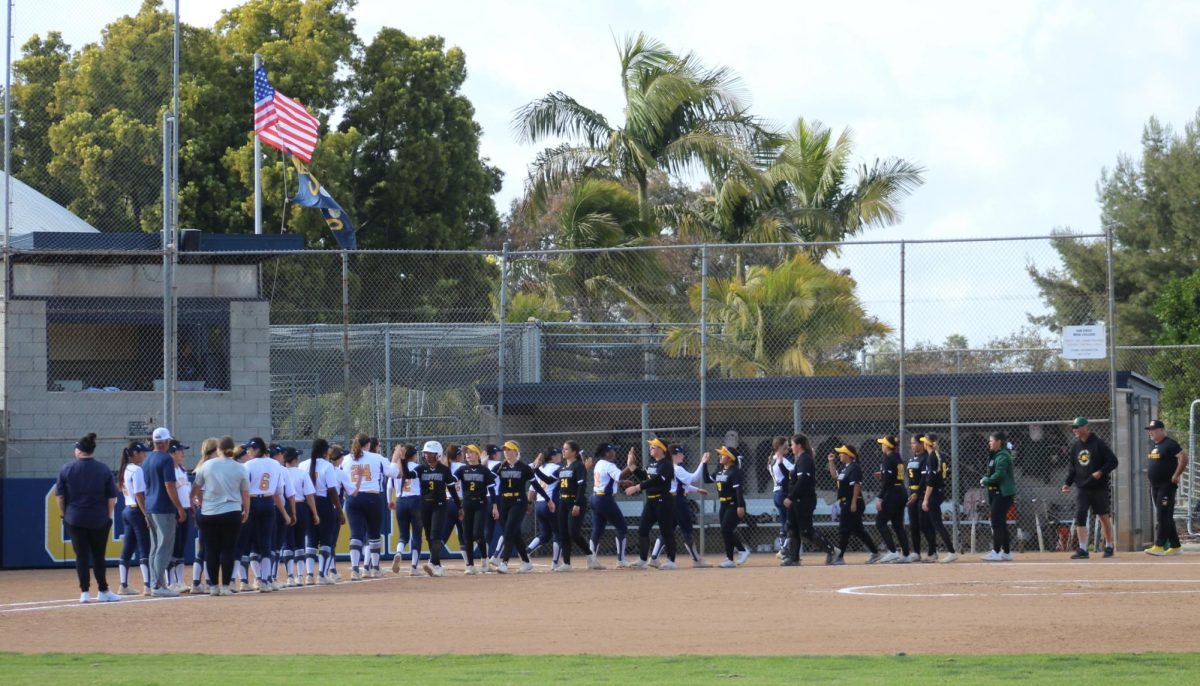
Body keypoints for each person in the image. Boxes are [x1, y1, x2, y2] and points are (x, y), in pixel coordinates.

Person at [56, 433, 121, 604]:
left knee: (81, 555)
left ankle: (84, 592)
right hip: (98, 518)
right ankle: (103, 590)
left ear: (79, 451)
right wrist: (107, 517)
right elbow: (111, 498)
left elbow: (60, 497)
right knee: (99, 555)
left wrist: (64, 515)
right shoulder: (103, 469)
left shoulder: (67, 469)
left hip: (74, 518)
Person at [192, 435, 251, 596]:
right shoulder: (240, 467)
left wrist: (197, 502)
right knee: (228, 549)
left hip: (209, 512)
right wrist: (246, 510)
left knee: (211, 549)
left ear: (218, 450)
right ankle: (225, 586)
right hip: (231, 511)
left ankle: (212, 586)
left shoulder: (208, 465)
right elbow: (245, 493)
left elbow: (196, 488)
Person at [397, 440, 462, 577]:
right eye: (425, 453)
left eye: (430, 454)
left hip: (440, 506)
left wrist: (459, 506)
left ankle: (432, 562)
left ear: (437, 455)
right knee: (428, 537)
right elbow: (408, 475)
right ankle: (437, 566)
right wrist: (402, 460)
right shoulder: (421, 468)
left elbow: (452, 489)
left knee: (435, 536)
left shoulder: (444, 470)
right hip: (424, 506)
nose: (426, 456)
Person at [343, 433, 399, 580]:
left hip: (353, 498)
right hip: (372, 497)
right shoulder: (377, 457)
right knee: (373, 534)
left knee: (356, 534)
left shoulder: (347, 459)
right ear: (368, 444)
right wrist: (395, 458)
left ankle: (355, 569)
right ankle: (375, 568)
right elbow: (394, 473)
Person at [490, 440, 551, 574]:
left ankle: (504, 562)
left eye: (510, 450)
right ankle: (526, 562)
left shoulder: (524, 467)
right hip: (503, 501)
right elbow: (488, 481)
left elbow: (535, 485)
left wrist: (548, 499)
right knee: (515, 533)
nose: (506, 452)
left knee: (509, 530)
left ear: (516, 452)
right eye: (505, 450)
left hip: (518, 501)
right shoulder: (500, 467)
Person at [1061, 417, 1118, 559]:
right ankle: (1083, 549)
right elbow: (1073, 468)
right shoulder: (1075, 446)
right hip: (1082, 487)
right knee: (1080, 515)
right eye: (1073, 427)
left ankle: (1109, 546)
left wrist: (1101, 472)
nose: (1074, 430)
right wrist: (1067, 483)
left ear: (1086, 427)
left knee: (1103, 516)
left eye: (1077, 427)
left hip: (1098, 487)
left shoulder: (1098, 444)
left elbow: (1113, 461)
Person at [243, 437, 292, 591]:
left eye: (250, 449)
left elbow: (243, 489)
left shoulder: (247, 465)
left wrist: (244, 508)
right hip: (268, 503)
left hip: (251, 502)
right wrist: (284, 513)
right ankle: (265, 580)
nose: (248, 452)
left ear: (257, 449)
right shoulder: (275, 464)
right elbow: (279, 492)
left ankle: (249, 579)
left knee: (249, 542)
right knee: (266, 543)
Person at [142, 427, 187, 597]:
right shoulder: (166, 459)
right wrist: (179, 507)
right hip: (163, 507)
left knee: (155, 547)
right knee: (164, 546)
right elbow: (169, 485)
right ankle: (158, 584)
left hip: (150, 506)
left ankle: (154, 581)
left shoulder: (147, 459)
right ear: (167, 442)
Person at [650, 445, 711, 569]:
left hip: (668, 501)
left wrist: (697, 490)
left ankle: (654, 558)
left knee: (667, 530)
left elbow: (680, 484)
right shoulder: (676, 468)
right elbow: (693, 478)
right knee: (687, 531)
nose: (683, 455)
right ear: (673, 455)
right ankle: (696, 560)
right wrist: (702, 463)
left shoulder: (666, 467)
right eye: (680, 453)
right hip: (678, 502)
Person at [782, 434, 837, 566]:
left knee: (805, 530)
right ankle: (794, 558)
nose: (791, 447)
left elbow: (803, 481)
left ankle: (832, 551)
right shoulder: (800, 459)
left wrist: (791, 497)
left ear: (799, 446)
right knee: (792, 528)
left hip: (804, 500)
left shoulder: (805, 459)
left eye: (793, 444)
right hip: (797, 500)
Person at [626, 439, 679, 570]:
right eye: (650, 447)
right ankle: (643, 560)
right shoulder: (652, 463)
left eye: (653, 447)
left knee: (666, 532)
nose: (650, 448)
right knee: (642, 530)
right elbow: (645, 476)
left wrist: (637, 487)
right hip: (651, 501)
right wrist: (631, 466)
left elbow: (657, 480)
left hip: (663, 501)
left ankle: (671, 561)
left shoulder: (666, 464)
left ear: (661, 449)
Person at [828, 445, 882, 565]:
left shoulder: (854, 468)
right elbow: (834, 476)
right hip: (845, 502)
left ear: (849, 455)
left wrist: (853, 503)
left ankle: (840, 557)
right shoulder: (845, 468)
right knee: (858, 530)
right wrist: (831, 462)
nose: (839, 455)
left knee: (844, 529)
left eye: (842, 453)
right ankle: (875, 552)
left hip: (853, 502)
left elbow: (857, 485)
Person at [299, 438, 344, 584]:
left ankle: (309, 575)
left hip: (307, 504)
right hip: (324, 504)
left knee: (311, 540)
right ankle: (322, 574)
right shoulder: (327, 466)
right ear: (325, 452)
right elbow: (332, 490)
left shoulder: (303, 465)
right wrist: (339, 511)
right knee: (326, 541)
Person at [1144, 420, 1187, 556]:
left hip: (1167, 486)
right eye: (1149, 430)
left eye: (1154, 429)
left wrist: (1176, 474)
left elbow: (1183, 458)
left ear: (1162, 430)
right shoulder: (1154, 445)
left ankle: (1159, 545)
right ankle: (1175, 546)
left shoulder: (1170, 444)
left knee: (1162, 515)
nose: (1151, 432)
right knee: (1166, 515)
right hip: (1155, 486)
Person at [588, 443, 632, 570]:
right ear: (607, 453)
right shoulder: (609, 464)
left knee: (597, 529)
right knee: (622, 527)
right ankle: (621, 559)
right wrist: (630, 465)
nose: (615, 452)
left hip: (595, 497)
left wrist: (622, 482)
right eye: (613, 450)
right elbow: (620, 475)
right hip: (605, 499)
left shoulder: (599, 463)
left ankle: (592, 560)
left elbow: (609, 478)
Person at [703, 446, 748, 568]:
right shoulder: (720, 470)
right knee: (726, 531)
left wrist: (740, 506)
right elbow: (707, 479)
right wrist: (704, 464)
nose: (720, 456)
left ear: (730, 458)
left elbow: (738, 491)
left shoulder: (735, 471)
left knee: (726, 530)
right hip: (723, 504)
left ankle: (734, 555)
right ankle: (737, 553)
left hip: (734, 504)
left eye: (723, 455)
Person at [116, 442, 151, 596]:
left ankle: (123, 584)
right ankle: (148, 585)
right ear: (135, 453)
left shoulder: (125, 468)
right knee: (145, 548)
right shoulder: (137, 470)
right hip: (136, 511)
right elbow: (139, 495)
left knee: (128, 549)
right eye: (142, 452)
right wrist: (146, 514)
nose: (144, 455)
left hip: (127, 510)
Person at [457, 444, 497, 575]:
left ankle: (485, 560)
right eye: (466, 453)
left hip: (480, 504)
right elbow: (451, 480)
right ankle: (470, 565)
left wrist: (495, 506)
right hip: (467, 505)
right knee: (467, 535)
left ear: (478, 455)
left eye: (471, 452)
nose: (468, 455)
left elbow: (491, 490)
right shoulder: (462, 469)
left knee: (477, 533)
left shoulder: (484, 471)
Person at [920, 434, 959, 563]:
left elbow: (930, 481)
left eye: (924, 442)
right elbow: (946, 473)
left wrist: (925, 499)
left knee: (937, 524)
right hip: (939, 491)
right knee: (932, 523)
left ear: (927, 444)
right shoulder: (939, 455)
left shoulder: (932, 457)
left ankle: (951, 552)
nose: (923, 444)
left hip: (934, 493)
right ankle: (933, 552)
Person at [553, 441, 591, 572]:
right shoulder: (563, 468)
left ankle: (590, 554)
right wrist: (535, 469)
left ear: (574, 452)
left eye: (566, 449)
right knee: (563, 532)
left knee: (573, 532)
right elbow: (550, 482)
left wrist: (577, 504)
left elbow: (582, 486)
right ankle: (567, 563)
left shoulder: (578, 466)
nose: (563, 451)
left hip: (574, 502)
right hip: (562, 502)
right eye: (562, 449)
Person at [188, 438, 220, 594]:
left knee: (205, 547)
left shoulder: (203, 466)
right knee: (209, 548)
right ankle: (205, 582)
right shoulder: (209, 467)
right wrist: (203, 506)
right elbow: (199, 491)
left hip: (204, 510)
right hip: (208, 510)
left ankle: (198, 582)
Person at [284, 446, 319, 586]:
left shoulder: (281, 472)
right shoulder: (302, 473)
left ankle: (289, 577)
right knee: (299, 543)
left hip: (285, 506)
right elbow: (309, 495)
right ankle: (299, 576)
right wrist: (315, 513)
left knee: (288, 543)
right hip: (300, 506)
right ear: (294, 459)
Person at [874, 435, 911, 563]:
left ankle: (892, 551)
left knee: (880, 521)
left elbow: (888, 481)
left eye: (883, 444)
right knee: (897, 525)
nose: (882, 446)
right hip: (901, 491)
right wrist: (883, 475)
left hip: (892, 493)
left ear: (888, 446)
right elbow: (892, 476)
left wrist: (880, 498)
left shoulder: (888, 458)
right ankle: (906, 554)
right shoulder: (897, 457)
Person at [980, 432, 1016, 562]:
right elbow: (992, 472)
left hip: (1003, 494)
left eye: (991, 440)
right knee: (1001, 522)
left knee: (996, 521)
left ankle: (996, 551)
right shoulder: (995, 455)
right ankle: (1006, 552)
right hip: (996, 493)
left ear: (999, 441)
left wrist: (987, 480)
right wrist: (987, 478)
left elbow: (1000, 474)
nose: (989, 443)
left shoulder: (1003, 456)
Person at [389, 444, 424, 576]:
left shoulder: (397, 467)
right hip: (415, 500)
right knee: (417, 535)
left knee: (403, 535)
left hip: (401, 500)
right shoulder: (418, 468)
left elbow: (389, 487)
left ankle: (398, 553)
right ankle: (414, 567)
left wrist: (389, 501)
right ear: (414, 456)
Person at [526, 447, 562, 565]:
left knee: (545, 534)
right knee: (558, 532)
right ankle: (556, 562)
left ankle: (527, 551)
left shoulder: (540, 468)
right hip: (551, 503)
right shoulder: (558, 468)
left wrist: (529, 503)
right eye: (558, 454)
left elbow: (532, 490)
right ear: (552, 457)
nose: (560, 456)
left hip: (540, 504)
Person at [167, 440, 194, 593]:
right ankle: (171, 582)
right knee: (173, 546)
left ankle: (180, 580)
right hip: (176, 511)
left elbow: (187, 491)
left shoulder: (182, 469)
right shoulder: (169, 469)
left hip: (186, 509)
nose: (183, 454)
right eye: (180, 451)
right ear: (172, 452)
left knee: (181, 546)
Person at [904, 434, 930, 563]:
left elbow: (924, 479)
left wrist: (917, 493)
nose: (912, 445)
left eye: (914, 443)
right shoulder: (912, 459)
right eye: (911, 443)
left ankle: (932, 551)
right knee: (913, 524)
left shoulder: (926, 458)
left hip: (921, 494)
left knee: (923, 524)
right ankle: (916, 552)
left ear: (921, 444)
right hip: (912, 493)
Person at [768, 437, 794, 555]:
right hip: (783, 493)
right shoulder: (781, 460)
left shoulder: (771, 460)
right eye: (785, 445)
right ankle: (784, 549)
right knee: (789, 521)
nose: (788, 447)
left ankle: (783, 547)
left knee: (783, 521)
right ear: (779, 447)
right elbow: (793, 473)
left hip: (777, 493)